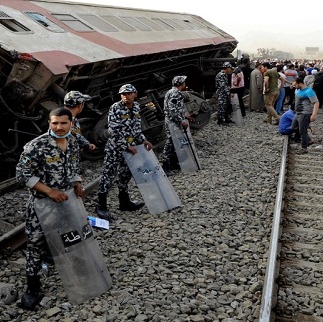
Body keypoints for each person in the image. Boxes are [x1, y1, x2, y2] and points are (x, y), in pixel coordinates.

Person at [15, 107, 84, 310]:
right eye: (55, 123)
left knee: (70, 237)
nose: (59, 127)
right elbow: (21, 175)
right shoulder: (36, 146)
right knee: (35, 245)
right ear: (49, 123)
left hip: (66, 202)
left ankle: (74, 274)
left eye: (63, 123)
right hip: (41, 205)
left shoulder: (72, 143)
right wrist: (49, 191)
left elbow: (73, 167)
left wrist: (77, 182)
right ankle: (32, 288)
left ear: (71, 123)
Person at [97, 84, 151, 219]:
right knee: (108, 176)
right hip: (115, 149)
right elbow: (113, 131)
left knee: (125, 175)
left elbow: (137, 128)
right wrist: (126, 146)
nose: (125, 96)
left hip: (130, 148)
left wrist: (143, 140)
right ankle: (101, 207)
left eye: (128, 93)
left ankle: (125, 203)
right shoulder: (115, 108)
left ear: (135, 94)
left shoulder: (137, 107)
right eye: (123, 94)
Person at [160, 75, 192, 172]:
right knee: (170, 142)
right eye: (184, 82)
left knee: (175, 142)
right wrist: (181, 120)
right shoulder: (176, 93)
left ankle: (173, 163)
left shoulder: (171, 92)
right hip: (173, 122)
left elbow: (175, 108)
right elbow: (173, 110)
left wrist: (184, 115)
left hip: (171, 120)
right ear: (181, 84)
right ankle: (165, 166)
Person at [292, 77, 319, 155]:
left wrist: (314, 114)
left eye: (295, 84)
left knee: (302, 130)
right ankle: (309, 140)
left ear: (300, 83)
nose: (294, 86)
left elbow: (316, 103)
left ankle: (304, 148)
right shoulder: (298, 90)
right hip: (298, 112)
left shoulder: (309, 91)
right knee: (294, 127)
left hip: (305, 112)